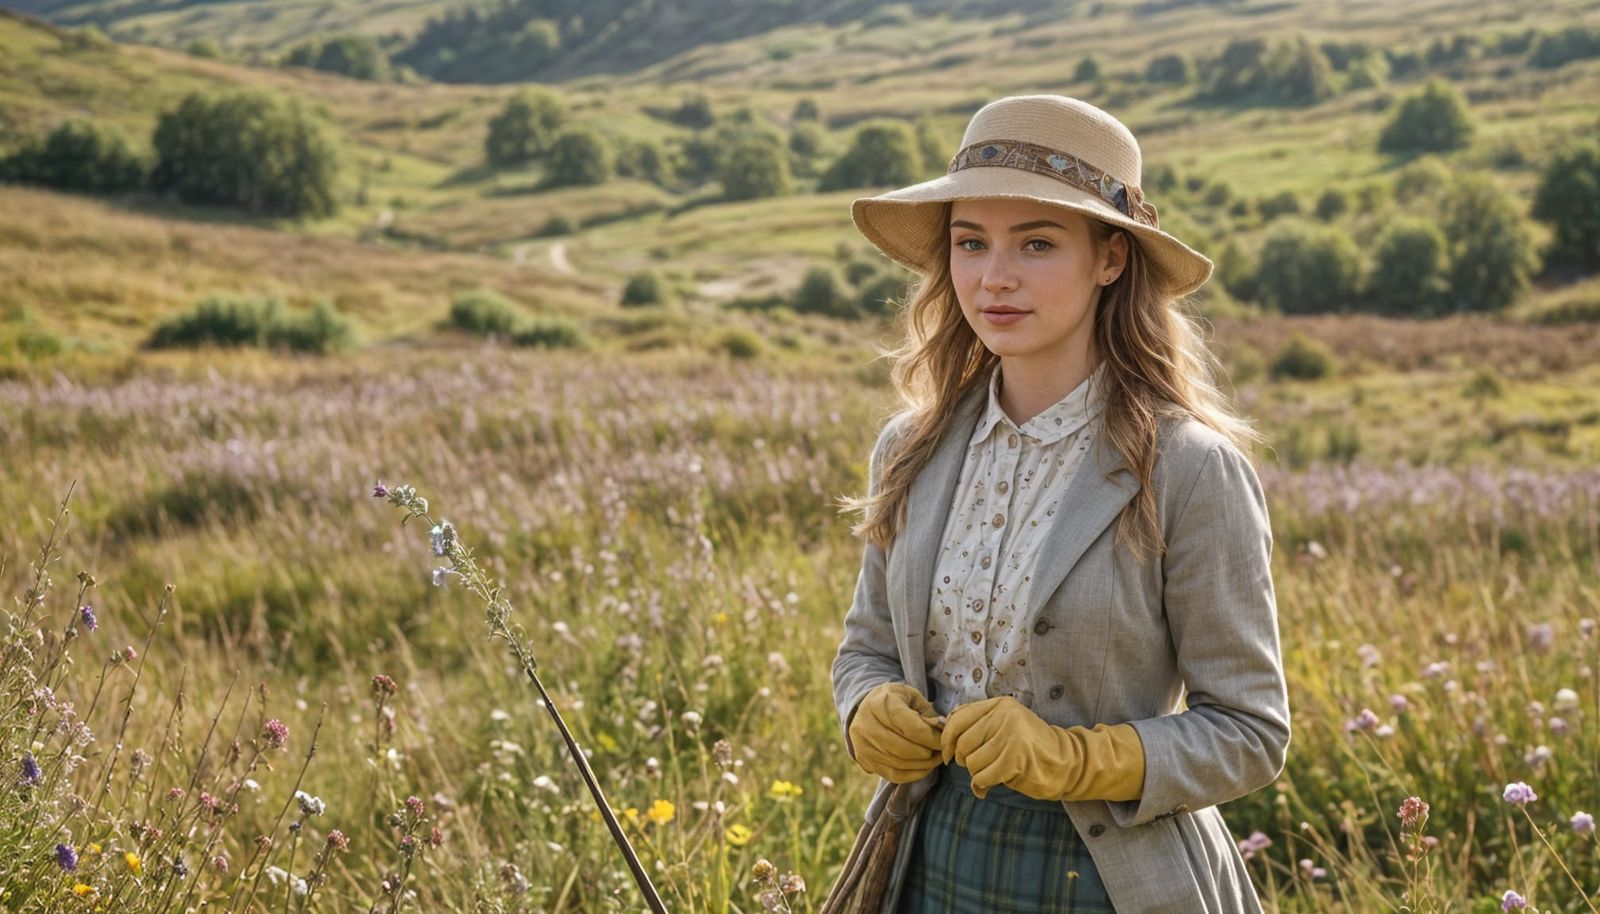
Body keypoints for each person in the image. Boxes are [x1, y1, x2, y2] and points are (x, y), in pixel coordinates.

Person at [831, 94, 1291, 913]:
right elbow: (866, 648)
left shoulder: (1189, 470)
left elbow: (1249, 734)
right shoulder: (910, 447)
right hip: (923, 863)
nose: (993, 276)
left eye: (1036, 244)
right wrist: (866, 706)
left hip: (1113, 883)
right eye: (970, 243)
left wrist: (1074, 759)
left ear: (1110, 259)